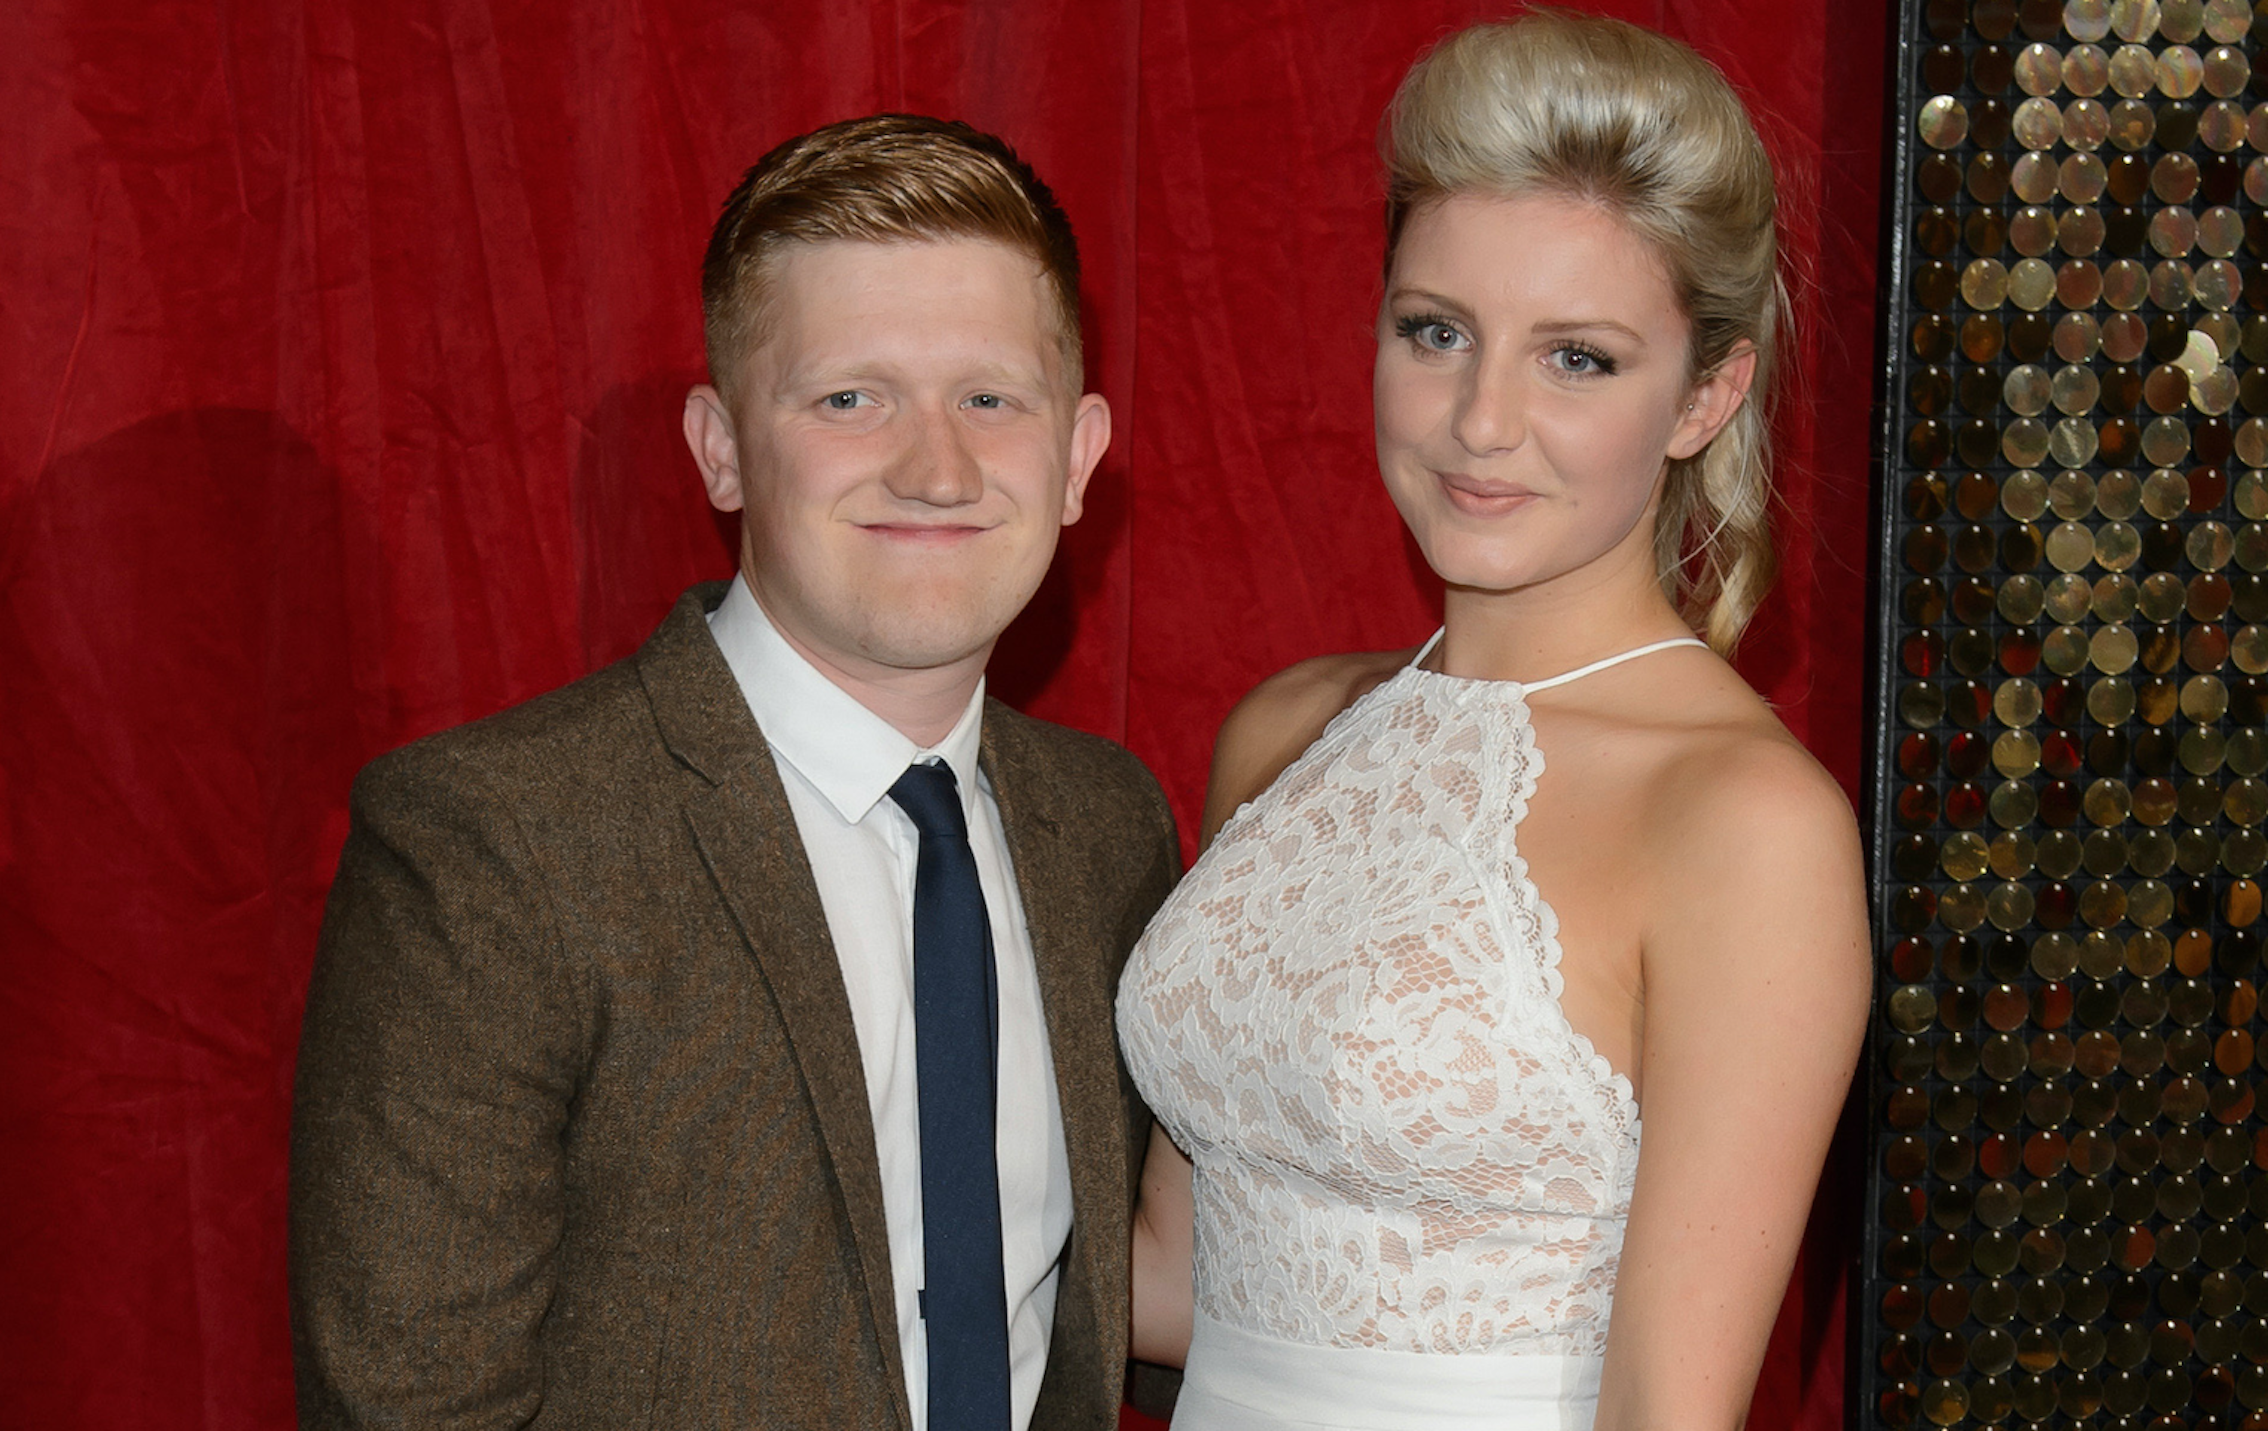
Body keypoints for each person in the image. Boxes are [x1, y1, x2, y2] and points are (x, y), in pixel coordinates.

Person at [290, 114, 1180, 1431]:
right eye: (849, 398)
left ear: (1079, 458)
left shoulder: (1111, 826)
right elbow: (408, 1404)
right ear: (720, 449)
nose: (936, 468)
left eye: (990, 399)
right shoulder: (493, 841)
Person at [1115, 14, 1869, 1431]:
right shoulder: (1286, 731)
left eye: (1576, 358)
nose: (1479, 419)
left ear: (1707, 395)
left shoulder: (1744, 823)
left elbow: (1667, 1407)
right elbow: (1173, 1275)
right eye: (1437, 331)